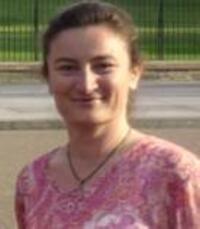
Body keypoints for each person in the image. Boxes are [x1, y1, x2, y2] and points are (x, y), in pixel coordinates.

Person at [15, 1, 200, 228]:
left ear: (134, 73)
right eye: (67, 68)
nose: (86, 84)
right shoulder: (33, 181)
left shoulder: (175, 174)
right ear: (48, 78)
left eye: (103, 66)